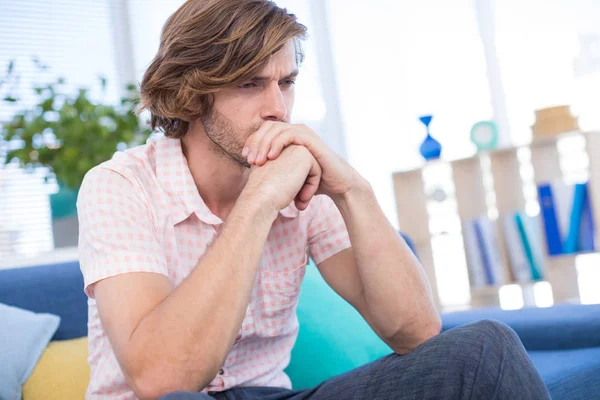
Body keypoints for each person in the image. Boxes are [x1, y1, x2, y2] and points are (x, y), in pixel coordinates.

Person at [76, 1, 551, 399]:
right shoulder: (120, 186)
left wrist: (351, 189)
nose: (278, 109)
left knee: (485, 348)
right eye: (250, 84)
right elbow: (161, 379)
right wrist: (259, 202)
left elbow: (416, 333)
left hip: (269, 394)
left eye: (286, 82)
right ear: (192, 92)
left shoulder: (301, 177)